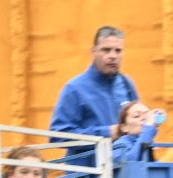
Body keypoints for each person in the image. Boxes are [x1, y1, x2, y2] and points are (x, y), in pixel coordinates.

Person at [51, 26, 141, 156]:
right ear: (93, 52)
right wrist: (107, 133)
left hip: (122, 171)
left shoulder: (127, 84)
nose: (113, 56)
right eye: (106, 50)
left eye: (118, 51)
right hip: (88, 173)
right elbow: (58, 136)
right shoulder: (75, 88)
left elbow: (138, 126)